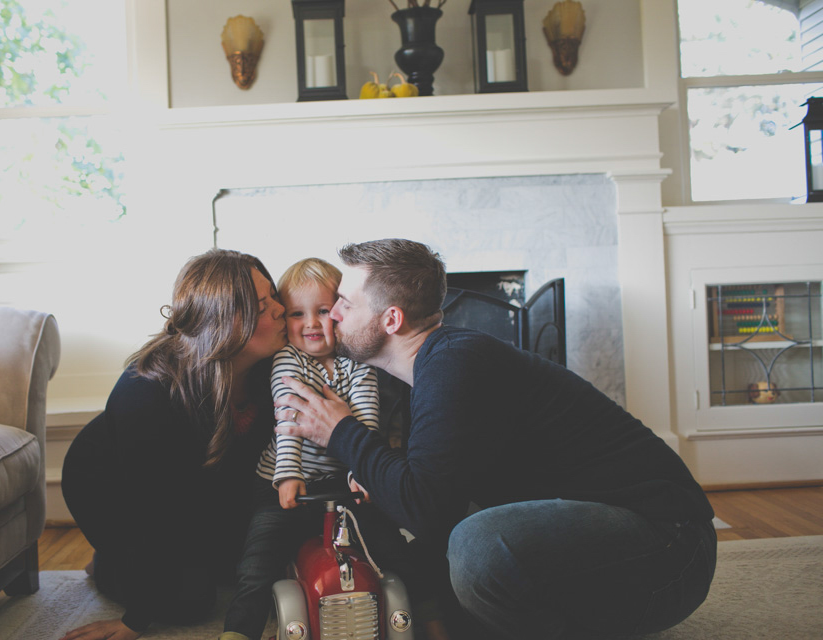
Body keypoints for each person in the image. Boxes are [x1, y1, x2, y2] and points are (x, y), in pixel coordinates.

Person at [275, 238, 718, 639]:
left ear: (391, 319)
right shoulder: (433, 368)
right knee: (447, 545)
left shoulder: (453, 364)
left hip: (668, 549)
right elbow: (436, 499)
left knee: (478, 545)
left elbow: (425, 511)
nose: (333, 314)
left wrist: (341, 431)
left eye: (345, 303)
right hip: (616, 540)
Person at [60, 249, 287, 640]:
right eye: (264, 307)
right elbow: (156, 512)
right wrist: (136, 619)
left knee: (250, 568)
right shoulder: (146, 392)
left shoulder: (272, 371)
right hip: (115, 493)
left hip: (192, 488)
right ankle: (108, 564)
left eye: (274, 297)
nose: (281, 310)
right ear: (225, 324)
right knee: (189, 600)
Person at [220, 257, 382, 640]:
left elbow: (366, 420)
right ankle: (239, 631)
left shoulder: (358, 362)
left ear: (341, 311)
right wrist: (289, 474)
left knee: (388, 545)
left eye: (322, 311)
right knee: (258, 561)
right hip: (282, 481)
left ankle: (430, 618)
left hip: (343, 483)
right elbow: (288, 418)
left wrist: (363, 470)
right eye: (297, 313)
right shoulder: (287, 360)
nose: (311, 323)